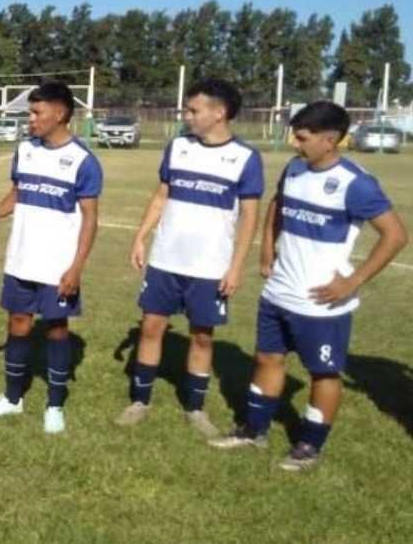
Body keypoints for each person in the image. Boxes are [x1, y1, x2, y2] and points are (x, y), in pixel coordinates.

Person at [210, 101, 408, 471]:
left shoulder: (356, 184)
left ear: (330, 140)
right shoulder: (295, 169)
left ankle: (309, 445)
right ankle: (253, 430)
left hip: (321, 302)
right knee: (268, 358)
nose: (295, 144)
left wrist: (353, 281)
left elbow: (396, 235)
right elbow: (278, 205)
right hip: (278, 292)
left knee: (323, 372)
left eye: (302, 137)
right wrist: (268, 248)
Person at [115, 79, 263, 438]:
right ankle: (140, 400)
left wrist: (236, 265)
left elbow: (249, 216)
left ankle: (195, 408)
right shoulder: (178, 146)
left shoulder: (245, 158)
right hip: (166, 260)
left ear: (219, 113)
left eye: (194, 110)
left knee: (201, 336)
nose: (187, 116)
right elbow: (161, 196)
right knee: (151, 327)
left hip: (209, 266)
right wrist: (140, 237)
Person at [0, 82, 102, 434]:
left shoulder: (83, 161)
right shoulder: (25, 150)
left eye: (36, 113)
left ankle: (55, 405)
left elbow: (90, 219)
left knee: (57, 329)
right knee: (17, 322)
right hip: (21, 259)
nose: (30, 119)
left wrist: (76, 268)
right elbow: (18, 192)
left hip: (57, 266)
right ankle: (12, 399)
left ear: (59, 114)